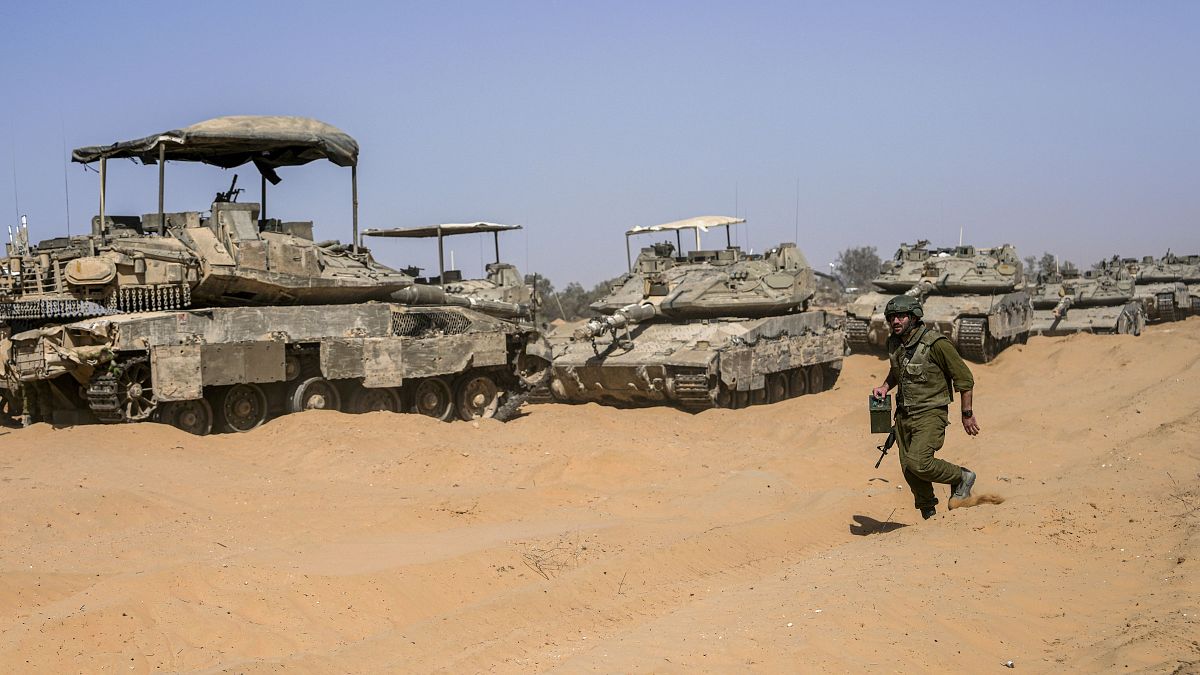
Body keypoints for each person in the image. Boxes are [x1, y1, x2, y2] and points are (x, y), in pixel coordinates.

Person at [871, 295, 979, 520]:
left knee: (919, 462)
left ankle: (962, 477)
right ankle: (930, 516)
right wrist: (885, 386)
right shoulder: (895, 343)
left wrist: (966, 414)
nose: (896, 322)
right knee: (910, 470)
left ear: (913, 317)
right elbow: (897, 370)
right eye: (891, 318)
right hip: (904, 415)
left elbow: (964, 379)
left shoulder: (936, 343)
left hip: (930, 412)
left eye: (901, 316)